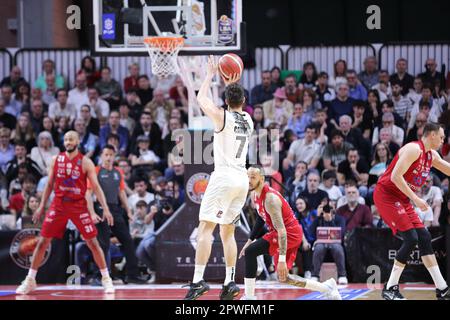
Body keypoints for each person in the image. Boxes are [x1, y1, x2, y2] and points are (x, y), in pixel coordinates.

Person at [183, 56, 253, 301]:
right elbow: (235, 100)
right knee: (228, 233)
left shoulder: (222, 117)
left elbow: (201, 99)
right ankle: (230, 282)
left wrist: (211, 74)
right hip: (242, 181)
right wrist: (233, 83)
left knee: (205, 229)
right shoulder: (249, 120)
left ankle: (198, 281)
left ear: (225, 101)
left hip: (224, 178)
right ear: (244, 101)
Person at [15, 131, 115, 295]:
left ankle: (106, 278)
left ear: (77, 141)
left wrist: (106, 208)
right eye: (66, 139)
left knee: (93, 243)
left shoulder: (85, 162)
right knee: (42, 242)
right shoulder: (56, 160)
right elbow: (48, 185)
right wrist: (41, 206)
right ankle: (30, 279)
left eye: (71, 139)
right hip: (58, 205)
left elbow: (96, 187)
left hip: (78, 205)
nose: (68, 142)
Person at [239, 166, 341, 300]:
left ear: (262, 179)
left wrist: (281, 259)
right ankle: (326, 288)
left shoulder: (270, 199)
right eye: (248, 176)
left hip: (288, 233)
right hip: (280, 232)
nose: (249, 180)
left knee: (251, 252)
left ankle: (250, 297)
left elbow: (282, 231)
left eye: (253, 177)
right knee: (284, 278)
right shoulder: (254, 194)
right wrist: (249, 241)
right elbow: (261, 217)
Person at [373, 123, 450, 300]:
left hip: (402, 198)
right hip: (387, 195)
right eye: (441, 137)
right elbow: (395, 177)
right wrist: (416, 199)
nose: (443, 140)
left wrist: (411, 199)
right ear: (431, 135)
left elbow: (447, 168)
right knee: (411, 238)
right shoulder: (413, 149)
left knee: (424, 237)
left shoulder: (431, 156)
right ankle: (390, 288)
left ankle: (442, 288)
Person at [86, 145, 147, 284]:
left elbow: (121, 192)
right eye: (106, 154)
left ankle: (132, 275)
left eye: (111, 155)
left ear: (114, 156)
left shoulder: (118, 171)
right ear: (101, 156)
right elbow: (88, 194)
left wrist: (129, 211)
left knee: (128, 241)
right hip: (100, 208)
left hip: (115, 209)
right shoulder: (95, 171)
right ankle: (98, 276)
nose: (108, 157)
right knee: (103, 244)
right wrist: (92, 213)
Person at [309, 203, 348, 284]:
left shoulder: (340, 219)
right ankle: (315, 275)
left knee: (337, 248)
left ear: (334, 209)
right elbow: (311, 232)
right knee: (319, 248)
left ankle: (342, 275)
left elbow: (341, 233)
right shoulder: (318, 219)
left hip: (335, 242)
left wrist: (331, 221)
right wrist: (318, 217)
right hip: (321, 243)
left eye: (330, 208)